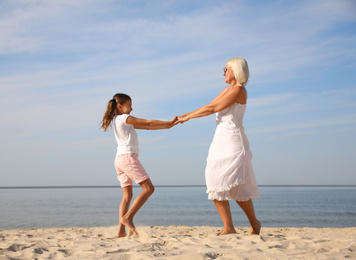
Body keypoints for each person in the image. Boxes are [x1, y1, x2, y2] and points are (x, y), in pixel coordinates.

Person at [178, 57, 261, 236]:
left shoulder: (239, 90)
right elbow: (209, 105)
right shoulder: (227, 89)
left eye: (226, 69)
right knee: (214, 182)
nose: (223, 72)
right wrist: (187, 114)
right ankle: (229, 227)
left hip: (233, 142)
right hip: (219, 142)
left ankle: (254, 224)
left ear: (236, 70)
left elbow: (212, 109)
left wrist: (188, 117)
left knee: (239, 188)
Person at [100, 93, 178, 237]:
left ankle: (121, 231)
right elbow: (148, 122)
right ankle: (128, 218)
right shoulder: (124, 118)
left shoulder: (117, 120)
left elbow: (147, 127)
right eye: (129, 106)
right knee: (148, 188)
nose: (131, 109)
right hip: (128, 158)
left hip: (119, 159)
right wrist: (168, 123)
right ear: (119, 106)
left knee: (127, 197)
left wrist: (168, 126)